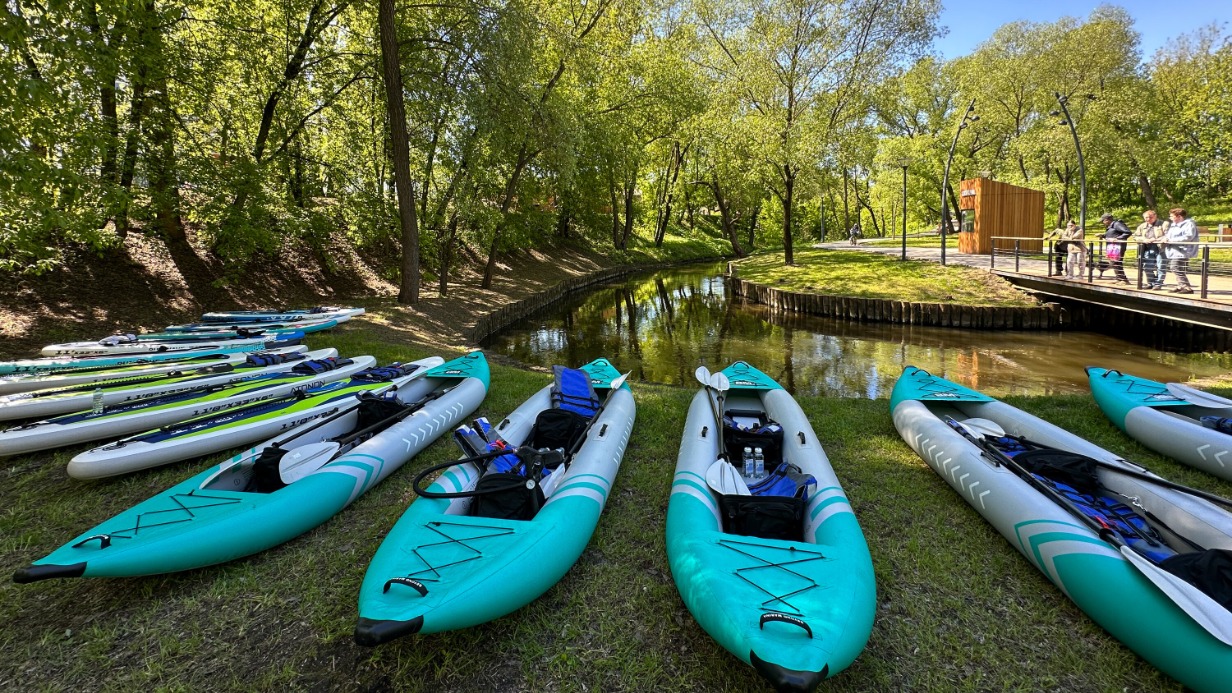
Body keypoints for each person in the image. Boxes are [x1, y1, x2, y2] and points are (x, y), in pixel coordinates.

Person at [1164, 208, 1198, 294]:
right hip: (1174, 250)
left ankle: (1187, 287)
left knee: (1175, 267)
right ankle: (1181, 285)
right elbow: (1169, 235)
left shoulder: (1189, 224)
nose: (1170, 218)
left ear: (1179, 216)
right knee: (1178, 268)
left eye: (1172, 216)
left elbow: (1188, 237)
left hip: (1183, 250)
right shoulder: (1173, 224)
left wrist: (1171, 240)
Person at [1135, 209, 1169, 290]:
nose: (1148, 219)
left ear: (1155, 216)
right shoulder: (1142, 226)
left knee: (1161, 266)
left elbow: (1168, 235)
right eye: (1146, 217)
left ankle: (1158, 284)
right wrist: (1144, 240)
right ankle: (1151, 282)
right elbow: (1136, 236)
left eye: (1150, 217)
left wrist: (1156, 239)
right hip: (1148, 248)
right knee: (1147, 267)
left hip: (1160, 248)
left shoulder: (1164, 224)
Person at [1099, 213, 1133, 285]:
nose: (1102, 223)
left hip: (1118, 246)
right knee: (1114, 262)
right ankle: (1119, 278)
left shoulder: (1117, 224)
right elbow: (1113, 234)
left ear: (1107, 220)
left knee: (1117, 262)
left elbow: (1128, 232)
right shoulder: (1111, 226)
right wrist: (1103, 235)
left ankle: (1124, 280)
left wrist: (1117, 239)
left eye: (1103, 221)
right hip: (1112, 247)